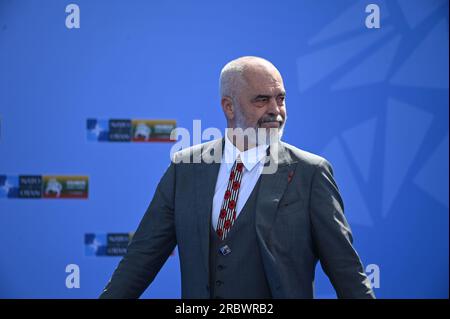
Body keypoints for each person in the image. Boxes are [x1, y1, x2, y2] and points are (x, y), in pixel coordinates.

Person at [100, 56, 375, 299]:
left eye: (280, 98)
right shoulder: (185, 169)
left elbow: (346, 272)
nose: (276, 111)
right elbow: (140, 260)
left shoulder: (310, 173)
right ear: (228, 107)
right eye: (261, 100)